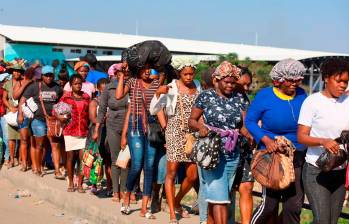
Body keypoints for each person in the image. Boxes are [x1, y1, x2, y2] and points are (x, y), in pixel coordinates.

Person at [245, 59, 307, 224]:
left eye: (298, 80)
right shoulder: (265, 95)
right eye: (290, 80)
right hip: (271, 154)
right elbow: (250, 121)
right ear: (279, 80)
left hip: (297, 154)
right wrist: (266, 140)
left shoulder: (302, 95)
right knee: (269, 205)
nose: (295, 84)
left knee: (293, 205)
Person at [189, 61, 248, 224]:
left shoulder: (239, 98)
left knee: (220, 195)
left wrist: (251, 134)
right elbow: (192, 120)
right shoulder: (206, 96)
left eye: (233, 82)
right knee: (219, 198)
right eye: (226, 82)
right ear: (217, 80)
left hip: (232, 154)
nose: (230, 85)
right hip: (212, 153)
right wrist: (200, 127)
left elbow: (244, 125)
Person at [150, 57, 201, 223]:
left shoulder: (198, 86)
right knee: (171, 173)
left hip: (192, 135)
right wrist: (158, 94)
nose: (188, 77)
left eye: (191, 74)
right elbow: (155, 109)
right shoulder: (172, 87)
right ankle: (172, 212)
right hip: (174, 132)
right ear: (180, 73)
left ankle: (177, 201)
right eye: (185, 74)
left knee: (192, 175)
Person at [298, 58, 349, 224]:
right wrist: (323, 141)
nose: (343, 85)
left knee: (332, 222)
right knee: (322, 221)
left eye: (346, 82)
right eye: (339, 80)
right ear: (326, 78)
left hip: (340, 170)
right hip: (316, 170)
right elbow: (302, 137)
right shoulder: (312, 102)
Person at [116, 62, 160, 219]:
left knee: (149, 167)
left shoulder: (157, 83)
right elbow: (118, 95)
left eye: (149, 68)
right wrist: (122, 75)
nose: (147, 71)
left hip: (152, 127)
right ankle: (127, 195)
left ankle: (144, 208)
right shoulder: (132, 82)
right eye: (144, 68)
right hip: (135, 126)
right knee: (136, 164)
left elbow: (161, 106)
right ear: (138, 69)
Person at [19, 65, 64, 178]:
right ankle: (38, 167)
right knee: (39, 145)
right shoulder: (35, 87)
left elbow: (61, 102)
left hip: (53, 120)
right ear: (42, 76)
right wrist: (20, 114)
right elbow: (22, 100)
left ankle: (57, 171)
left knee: (55, 144)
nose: (49, 77)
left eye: (51, 75)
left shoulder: (57, 88)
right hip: (38, 120)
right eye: (46, 75)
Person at [93, 64, 129, 201]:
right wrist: (97, 129)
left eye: (125, 72)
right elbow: (102, 109)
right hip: (113, 125)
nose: (123, 74)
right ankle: (115, 191)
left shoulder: (131, 85)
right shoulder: (108, 88)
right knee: (114, 160)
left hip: (128, 126)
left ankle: (124, 189)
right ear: (115, 73)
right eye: (120, 72)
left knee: (125, 160)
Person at [60, 74, 90, 192]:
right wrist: (61, 117)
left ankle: (80, 184)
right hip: (70, 131)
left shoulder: (86, 97)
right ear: (71, 85)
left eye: (80, 83)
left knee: (82, 159)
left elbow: (90, 112)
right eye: (75, 83)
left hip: (83, 131)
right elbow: (55, 110)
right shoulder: (66, 97)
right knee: (71, 158)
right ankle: (71, 182)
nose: (78, 85)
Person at [232, 67, 254, 224]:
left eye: (249, 85)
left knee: (246, 187)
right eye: (243, 84)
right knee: (227, 190)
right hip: (228, 149)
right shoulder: (223, 96)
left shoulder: (245, 98)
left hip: (246, 149)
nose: (246, 88)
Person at [87, 78, 112, 195]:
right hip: (97, 132)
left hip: (109, 132)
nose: (105, 92)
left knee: (108, 160)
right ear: (98, 89)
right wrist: (103, 119)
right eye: (103, 90)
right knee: (95, 159)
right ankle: (94, 183)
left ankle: (109, 185)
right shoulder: (94, 102)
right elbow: (92, 118)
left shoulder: (112, 101)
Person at [3, 63, 25, 168]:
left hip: (22, 112)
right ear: (12, 72)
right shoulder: (7, 83)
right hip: (11, 113)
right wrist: (10, 107)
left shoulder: (24, 83)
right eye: (15, 71)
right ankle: (12, 159)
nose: (16, 72)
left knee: (21, 137)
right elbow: (4, 98)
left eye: (19, 71)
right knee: (11, 138)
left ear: (21, 73)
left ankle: (21, 159)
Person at [14, 67, 34, 171]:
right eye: (28, 72)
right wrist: (26, 83)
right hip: (23, 114)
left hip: (34, 114)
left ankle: (32, 162)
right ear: (25, 73)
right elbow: (15, 96)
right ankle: (24, 163)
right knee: (24, 140)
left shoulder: (36, 83)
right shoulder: (20, 83)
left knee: (32, 140)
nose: (30, 74)